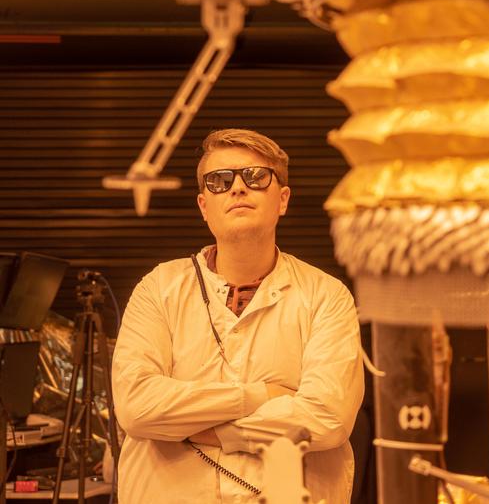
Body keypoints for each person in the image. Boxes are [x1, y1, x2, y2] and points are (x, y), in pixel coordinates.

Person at [111, 129, 364, 503]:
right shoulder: (158, 288)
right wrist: (262, 396)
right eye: (219, 181)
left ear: (282, 199)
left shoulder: (326, 295)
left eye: (256, 176)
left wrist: (211, 431)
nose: (237, 189)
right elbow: (137, 408)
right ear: (203, 206)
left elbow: (327, 419)